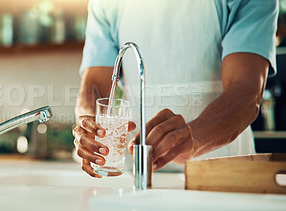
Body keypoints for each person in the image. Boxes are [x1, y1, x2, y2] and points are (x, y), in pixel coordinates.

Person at [73, 0, 279, 178]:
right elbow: (94, 87)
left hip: (221, 171)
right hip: (136, 173)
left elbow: (246, 92)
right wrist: (88, 124)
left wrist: (194, 137)